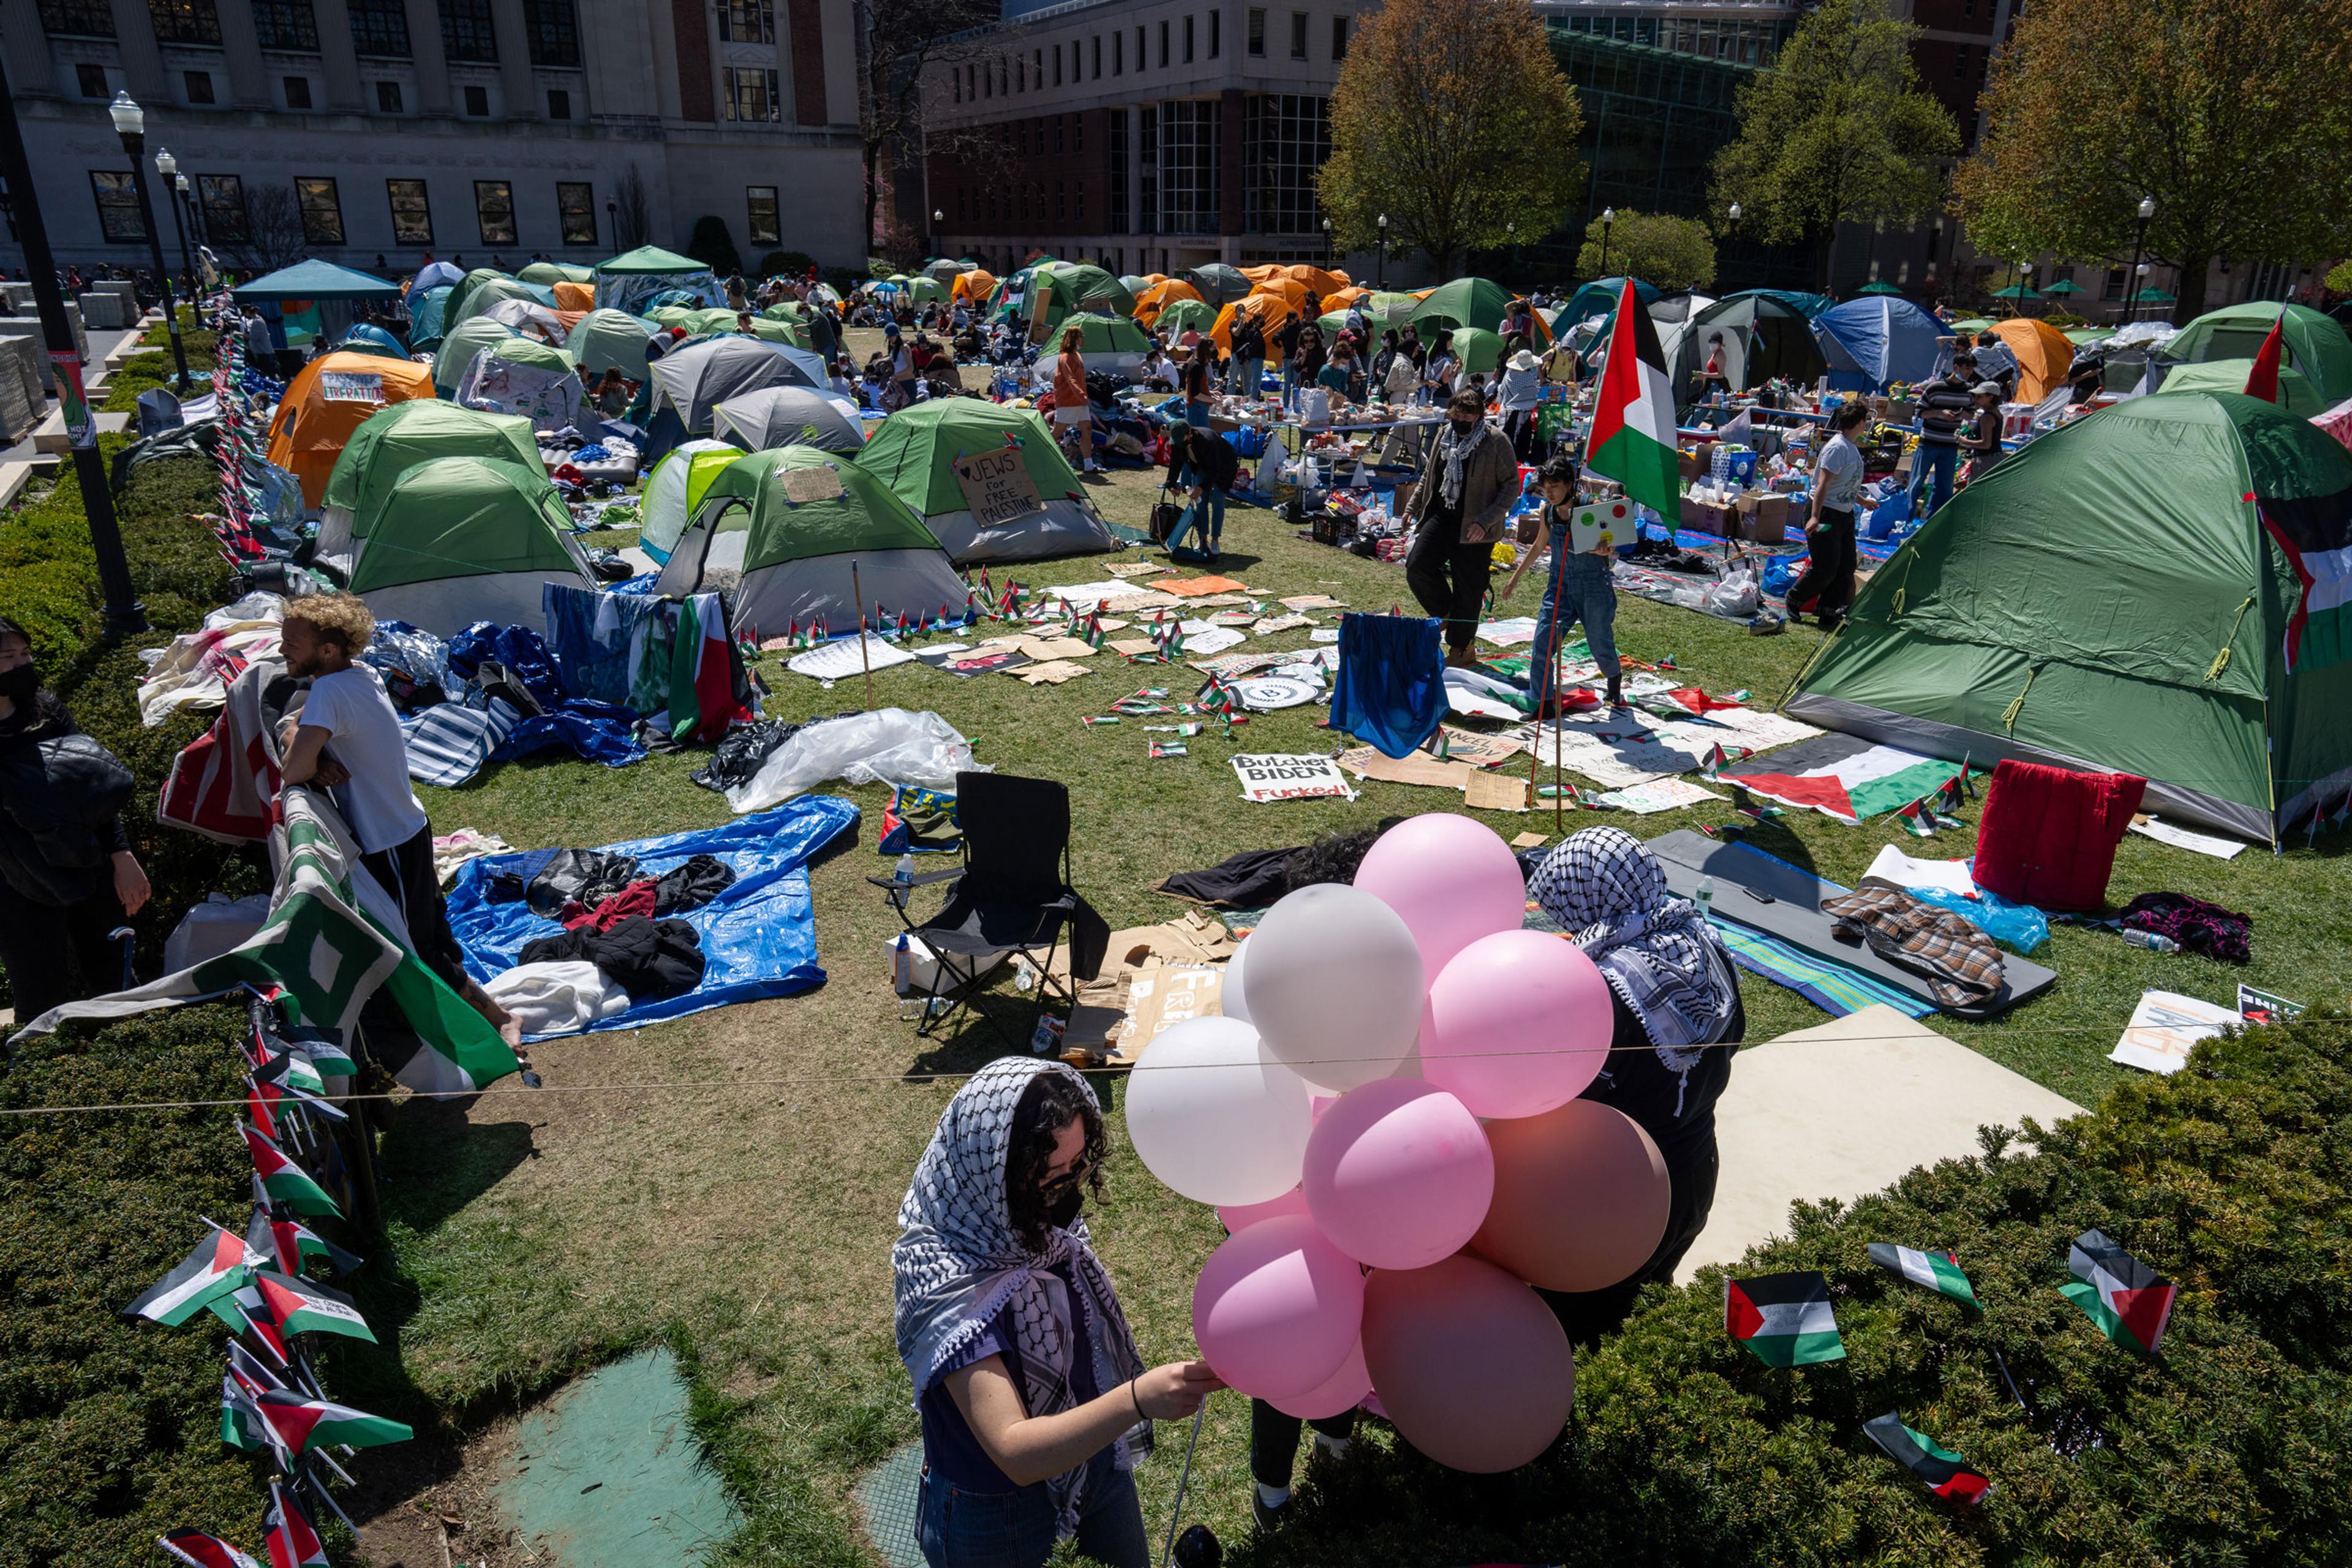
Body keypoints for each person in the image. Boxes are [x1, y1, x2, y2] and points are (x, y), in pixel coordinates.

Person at [895, 1059, 1223, 1568]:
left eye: (1080, 1168)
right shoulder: (950, 1285)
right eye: (1050, 1181)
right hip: (997, 1513)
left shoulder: (1035, 1235)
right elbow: (1015, 1450)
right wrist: (1136, 1399)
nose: (1068, 1193)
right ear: (994, 1177)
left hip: (1091, 1460)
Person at [274, 595, 521, 1050]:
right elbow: (297, 726)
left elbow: (292, 772)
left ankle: (500, 1019)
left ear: (327, 650)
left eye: (291, 642)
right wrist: (306, 741)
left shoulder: (329, 692)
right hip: (408, 826)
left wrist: (305, 747)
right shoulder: (359, 672)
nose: (281, 650)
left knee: (417, 945)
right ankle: (477, 1017)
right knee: (432, 932)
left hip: (386, 841)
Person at [1526, 827, 1743, 1345]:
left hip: (1624, 1198)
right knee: (1647, 1306)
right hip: (1696, 1167)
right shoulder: (1699, 938)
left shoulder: (1606, 993)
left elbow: (1565, 1110)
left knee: (1584, 1330)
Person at [0, 617, 151, 1025]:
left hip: (85, 861)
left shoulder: (45, 710)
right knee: (38, 990)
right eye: (8, 657)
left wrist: (122, 856)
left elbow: (92, 790)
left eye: (25, 654)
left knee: (114, 979)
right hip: (16, 885)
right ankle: (37, 1075)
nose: (22, 665)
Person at [1403, 389, 1518, 668]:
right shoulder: (1445, 436)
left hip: (1475, 528)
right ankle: (1447, 613)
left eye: (1468, 413)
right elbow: (1429, 476)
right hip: (1442, 517)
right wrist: (1412, 507)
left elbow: (1511, 486)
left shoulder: (1495, 442)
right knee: (1417, 566)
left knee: (1469, 588)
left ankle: (1462, 648)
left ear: (1479, 415)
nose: (1461, 418)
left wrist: (1485, 520)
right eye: (1456, 412)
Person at [1501, 453, 1621, 710]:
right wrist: (1514, 579)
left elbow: (1614, 542)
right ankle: (1542, 702)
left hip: (1594, 586)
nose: (1550, 494)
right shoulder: (1548, 512)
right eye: (1545, 489)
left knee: (1599, 640)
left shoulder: (1591, 506)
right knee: (1543, 641)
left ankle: (1614, 682)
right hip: (1560, 587)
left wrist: (1605, 549)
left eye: (1554, 487)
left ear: (1569, 484)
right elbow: (1538, 545)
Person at [1787, 398, 1868, 629]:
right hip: (1826, 514)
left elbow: (1845, 484)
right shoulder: (1837, 448)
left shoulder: (1850, 447)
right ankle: (1795, 597)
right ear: (1859, 422)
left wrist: (1862, 500)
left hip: (1844, 514)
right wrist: (1814, 516)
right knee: (1826, 566)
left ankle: (1828, 610)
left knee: (1845, 565)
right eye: (1865, 421)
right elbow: (1822, 485)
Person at [1909, 352, 1977, 520]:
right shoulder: (1935, 388)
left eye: (1971, 370)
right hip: (1929, 442)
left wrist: (1962, 416)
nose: (1969, 373)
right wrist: (1940, 413)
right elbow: (1920, 412)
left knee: (1945, 488)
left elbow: (1971, 413)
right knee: (1916, 483)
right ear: (1956, 367)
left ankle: (1933, 522)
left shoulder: (1969, 391)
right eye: (1966, 369)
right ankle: (1906, 519)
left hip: (1950, 445)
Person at [1168, 424, 1236, 560]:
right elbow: (1175, 462)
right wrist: (1171, 483)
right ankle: (1203, 538)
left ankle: (1215, 539)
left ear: (1189, 434)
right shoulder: (1177, 441)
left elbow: (1214, 469)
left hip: (1223, 467)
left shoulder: (1208, 441)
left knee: (1218, 502)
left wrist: (1201, 487)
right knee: (1201, 503)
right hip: (1201, 466)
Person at [1053, 325, 1099, 474]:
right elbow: (1070, 378)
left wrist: (1083, 396)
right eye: (1081, 337)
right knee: (1058, 431)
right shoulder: (1065, 358)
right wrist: (1081, 395)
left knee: (1087, 429)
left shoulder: (1077, 356)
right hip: (1068, 400)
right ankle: (1037, 452)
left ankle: (1089, 465)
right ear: (1074, 338)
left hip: (1080, 401)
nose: (1083, 339)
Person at [1497, 347, 1542, 462]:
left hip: (1506, 414)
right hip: (1522, 417)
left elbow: (1501, 391)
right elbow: (1531, 400)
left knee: (1505, 446)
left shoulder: (1509, 374)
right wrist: (1539, 402)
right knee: (1520, 450)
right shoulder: (1528, 378)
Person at [1958, 380, 2007, 484]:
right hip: (1996, 457)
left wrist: (1963, 441)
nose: (1976, 400)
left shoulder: (1987, 417)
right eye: (1976, 396)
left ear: (1991, 397)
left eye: (1980, 397)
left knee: (1975, 491)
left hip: (1986, 460)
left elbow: (1986, 444)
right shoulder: (1997, 414)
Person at [1270, 312, 1305, 409]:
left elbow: (1274, 339)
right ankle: (1296, 407)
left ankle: (1285, 407)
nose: (1298, 319)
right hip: (1297, 359)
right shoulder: (1299, 329)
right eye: (1296, 318)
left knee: (1286, 385)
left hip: (1286, 359)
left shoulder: (1284, 330)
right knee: (1296, 385)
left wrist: (1281, 347)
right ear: (1292, 319)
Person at [1230, 314, 1265, 396]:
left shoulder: (1256, 331)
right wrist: (1248, 357)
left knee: (1249, 381)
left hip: (1256, 358)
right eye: (1261, 320)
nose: (1263, 322)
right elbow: (1252, 346)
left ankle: (1249, 398)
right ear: (1256, 322)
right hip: (1254, 358)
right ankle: (1252, 398)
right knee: (1254, 381)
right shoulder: (1253, 331)